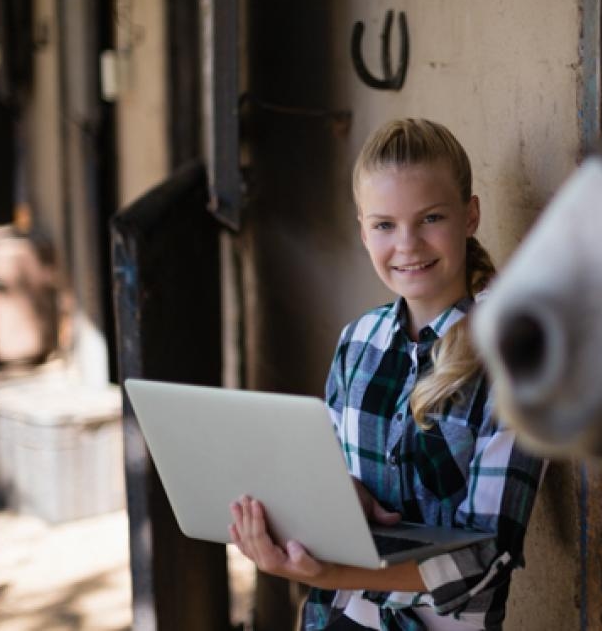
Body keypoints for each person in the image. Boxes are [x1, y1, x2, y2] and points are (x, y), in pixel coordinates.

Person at [229, 118, 546, 630]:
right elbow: (325, 480)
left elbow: (489, 557)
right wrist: (338, 494)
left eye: (431, 218)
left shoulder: (514, 360)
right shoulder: (357, 342)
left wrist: (340, 571)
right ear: (362, 230)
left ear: (470, 215)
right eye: (384, 225)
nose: (408, 245)